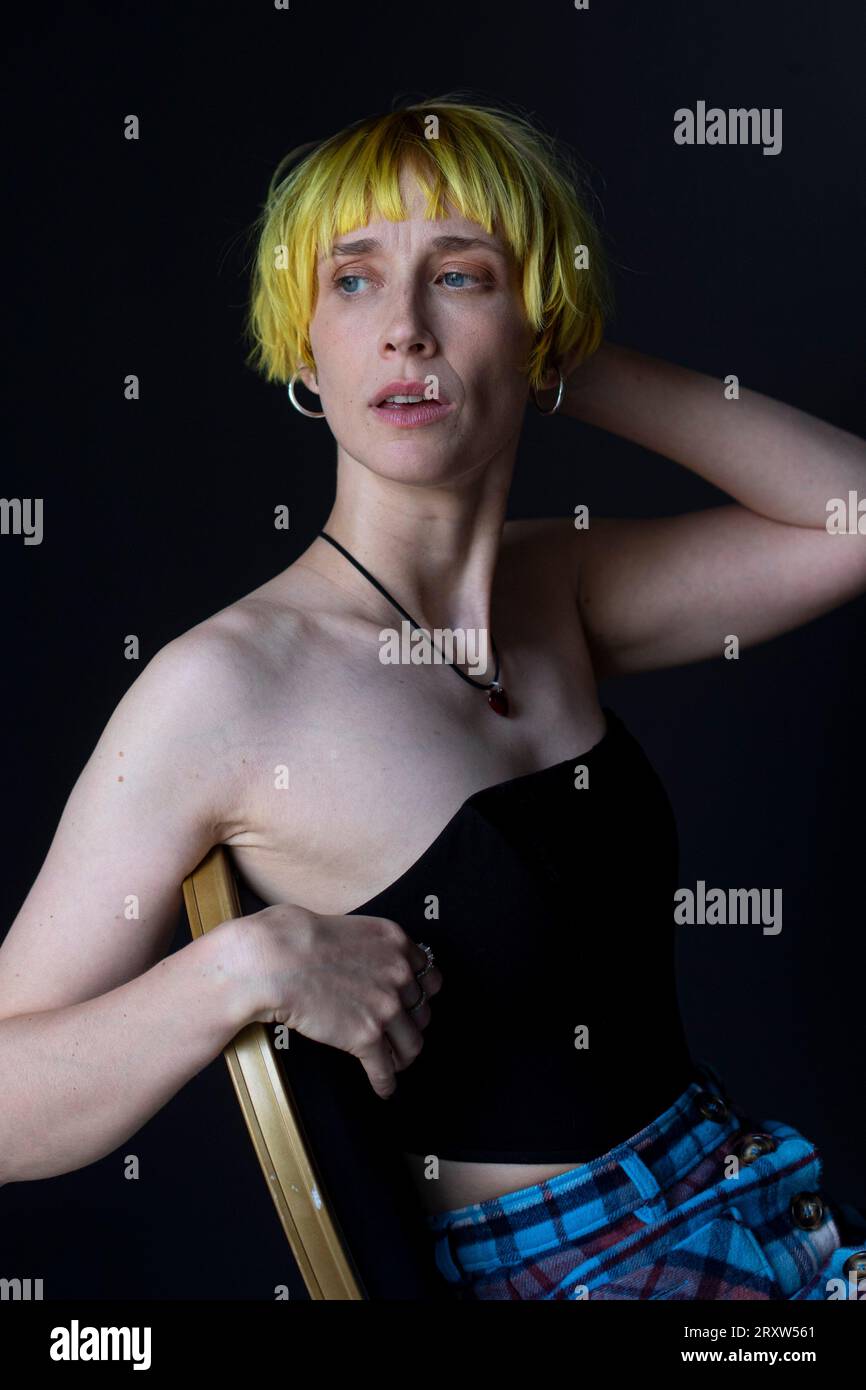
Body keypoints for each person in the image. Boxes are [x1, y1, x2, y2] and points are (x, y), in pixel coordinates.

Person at [1, 94, 864, 1301]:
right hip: (583, 1280)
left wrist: (563, 353)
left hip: (757, 1209)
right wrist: (239, 969)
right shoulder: (224, 687)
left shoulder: (553, 584)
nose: (403, 329)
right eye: (350, 283)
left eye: (457, 276)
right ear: (304, 344)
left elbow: (852, 519)